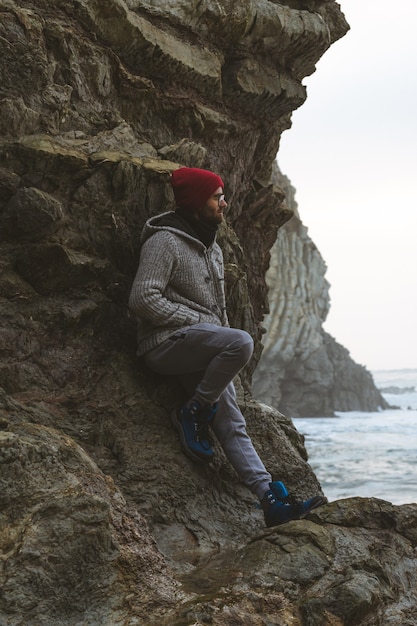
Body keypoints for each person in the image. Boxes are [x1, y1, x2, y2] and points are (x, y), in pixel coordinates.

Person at [128, 166, 326, 527]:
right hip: (163, 346)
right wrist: (196, 321)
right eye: (217, 197)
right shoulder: (164, 241)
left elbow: (216, 313)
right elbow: (142, 298)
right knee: (241, 341)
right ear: (195, 201)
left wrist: (208, 330)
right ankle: (192, 411)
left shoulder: (212, 246)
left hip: (202, 347)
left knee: (232, 421)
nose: (224, 203)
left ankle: (269, 500)